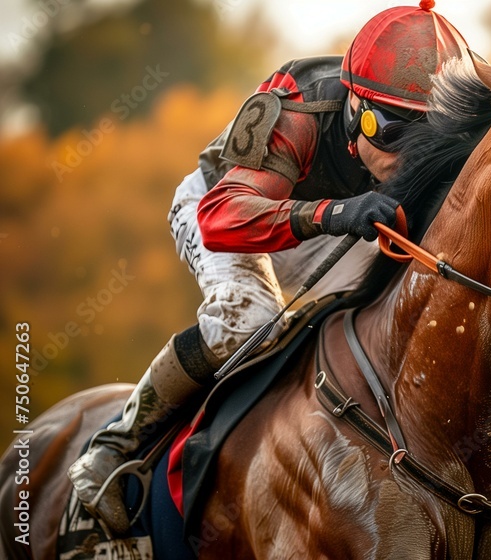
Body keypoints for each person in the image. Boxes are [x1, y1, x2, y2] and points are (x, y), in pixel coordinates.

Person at [68, 0, 468, 534]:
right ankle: (116, 447)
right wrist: (335, 212)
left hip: (339, 230)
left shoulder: (462, 106)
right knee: (249, 319)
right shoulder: (297, 108)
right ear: (354, 106)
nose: (408, 160)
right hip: (230, 207)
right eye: (393, 133)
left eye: (430, 140)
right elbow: (222, 218)